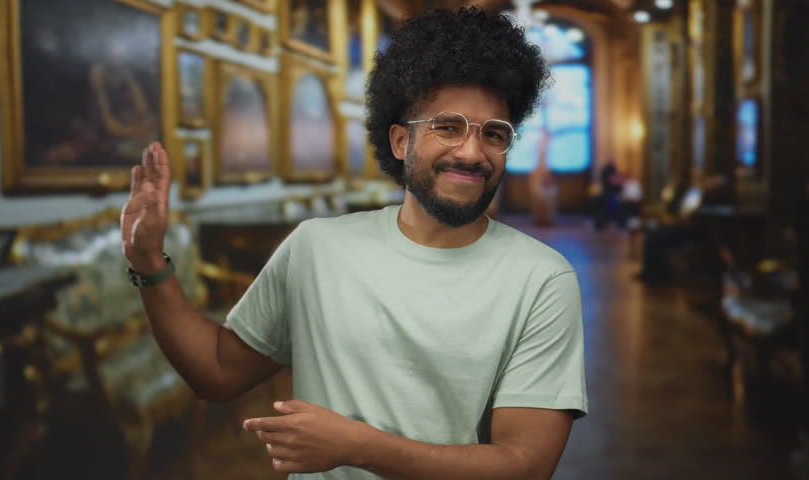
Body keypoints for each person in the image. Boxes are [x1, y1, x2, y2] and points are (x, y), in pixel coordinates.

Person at [121, 8, 587, 480]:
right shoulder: (318, 249)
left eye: (493, 134)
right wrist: (148, 263)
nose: (472, 152)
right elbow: (218, 371)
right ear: (401, 141)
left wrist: (358, 445)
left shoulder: (542, 279)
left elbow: (524, 467)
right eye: (448, 127)